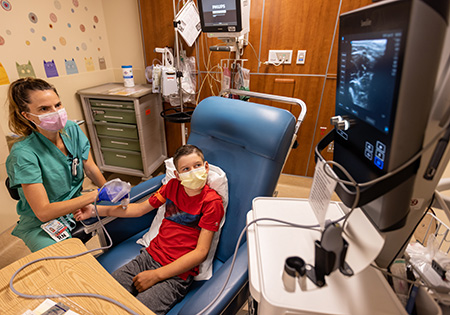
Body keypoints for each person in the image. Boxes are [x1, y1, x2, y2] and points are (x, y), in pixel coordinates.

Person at [74, 144, 225, 315]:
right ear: (177, 175)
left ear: (206, 167)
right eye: (186, 169)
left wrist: (156, 275)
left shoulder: (212, 203)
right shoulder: (172, 187)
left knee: (134, 311)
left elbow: (201, 253)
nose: (193, 172)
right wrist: (95, 211)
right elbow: (138, 209)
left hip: (176, 275)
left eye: (197, 165)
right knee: (104, 295)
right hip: (147, 258)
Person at [6, 77, 106, 252]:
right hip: (42, 223)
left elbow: (90, 167)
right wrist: (93, 196)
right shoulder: (23, 153)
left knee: (123, 219)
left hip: (76, 206)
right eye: (44, 109)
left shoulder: (71, 129)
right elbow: (43, 212)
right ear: (27, 115)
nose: (55, 112)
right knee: (66, 266)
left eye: (58, 105)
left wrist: (110, 189)